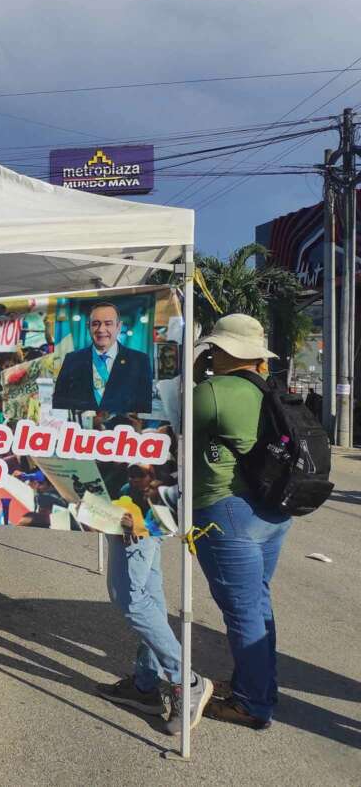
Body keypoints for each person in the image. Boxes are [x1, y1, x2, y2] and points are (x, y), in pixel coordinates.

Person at [191, 313, 289, 730]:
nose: (209, 352)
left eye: (214, 347)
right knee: (257, 601)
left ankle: (251, 704)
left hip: (228, 510)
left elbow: (173, 423)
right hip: (273, 511)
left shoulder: (213, 392)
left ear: (226, 351)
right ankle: (262, 686)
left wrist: (196, 376)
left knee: (243, 609)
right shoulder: (269, 390)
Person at [98, 463, 213, 734]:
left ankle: (186, 682)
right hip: (138, 517)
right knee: (148, 594)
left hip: (138, 524)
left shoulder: (149, 482)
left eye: (141, 473)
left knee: (129, 597)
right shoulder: (131, 485)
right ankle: (145, 684)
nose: (137, 478)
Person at [53, 301, 153, 413]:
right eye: (95, 323)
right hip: (81, 429)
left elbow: (145, 406)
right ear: (88, 326)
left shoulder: (140, 361)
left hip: (122, 428)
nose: (101, 329)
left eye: (108, 323)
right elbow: (59, 402)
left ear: (118, 327)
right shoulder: (72, 359)